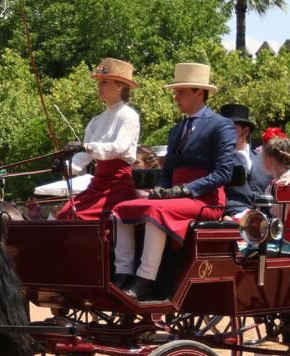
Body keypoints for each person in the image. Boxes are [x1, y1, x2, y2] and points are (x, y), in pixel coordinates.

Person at [112, 62, 235, 301]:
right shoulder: (177, 129)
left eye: (181, 92)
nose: (176, 97)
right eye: (175, 92)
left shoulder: (222, 126)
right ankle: (123, 272)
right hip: (176, 198)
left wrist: (186, 190)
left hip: (206, 200)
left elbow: (224, 173)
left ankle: (145, 279)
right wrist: (162, 188)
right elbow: (168, 171)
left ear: (199, 92)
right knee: (121, 209)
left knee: (154, 210)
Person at [54, 57, 141, 221]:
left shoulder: (129, 116)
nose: (99, 87)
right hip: (98, 184)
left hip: (117, 186)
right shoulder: (96, 121)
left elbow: (118, 148)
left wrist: (86, 146)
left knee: (76, 216)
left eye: (104, 82)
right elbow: (82, 159)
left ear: (120, 86)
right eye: (99, 82)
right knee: (65, 214)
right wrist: (65, 165)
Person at [219, 103, 260, 214]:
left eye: (231, 128)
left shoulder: (261, 158)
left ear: (245, 131)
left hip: (266, 221)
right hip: (233, 218)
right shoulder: (218, 159)